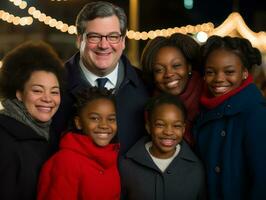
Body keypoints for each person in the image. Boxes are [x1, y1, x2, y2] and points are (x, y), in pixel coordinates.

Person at [52, 1, 149, 154]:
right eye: (94, 37)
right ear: (79, 40)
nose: (104, 45)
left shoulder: (146, 84)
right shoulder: (54, 85)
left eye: (113, 36)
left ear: (123, 41)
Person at [193, 35, 266, 200]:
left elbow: (262, 182)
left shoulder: (256, 114)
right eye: (211, 72)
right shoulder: (204, 111)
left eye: (229, 72)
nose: (219, 79)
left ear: (245, 73)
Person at [0, 41, 64, 200]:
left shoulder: (54, 135)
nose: (48, 99)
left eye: (54, 92)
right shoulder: (4, 139)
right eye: (37, 90)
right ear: (19, 93)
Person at [38, 87, 120, 200]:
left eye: (111, 119)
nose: (104, 125)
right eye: (95, 118)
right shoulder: (66, 160)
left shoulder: (111, 156)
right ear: (79, 123)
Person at [119, 93, 206, 200]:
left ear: (183, 129)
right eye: (160, 124)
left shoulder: (196, 168)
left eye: (176, 126)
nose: (168, 132)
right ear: (148, 127)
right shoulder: (126, 165)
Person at [141, 33, 203, 146]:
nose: (168, 74)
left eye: (176, 66)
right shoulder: (150, 107)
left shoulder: (209, 96)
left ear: (189, 66)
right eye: (159, 70)